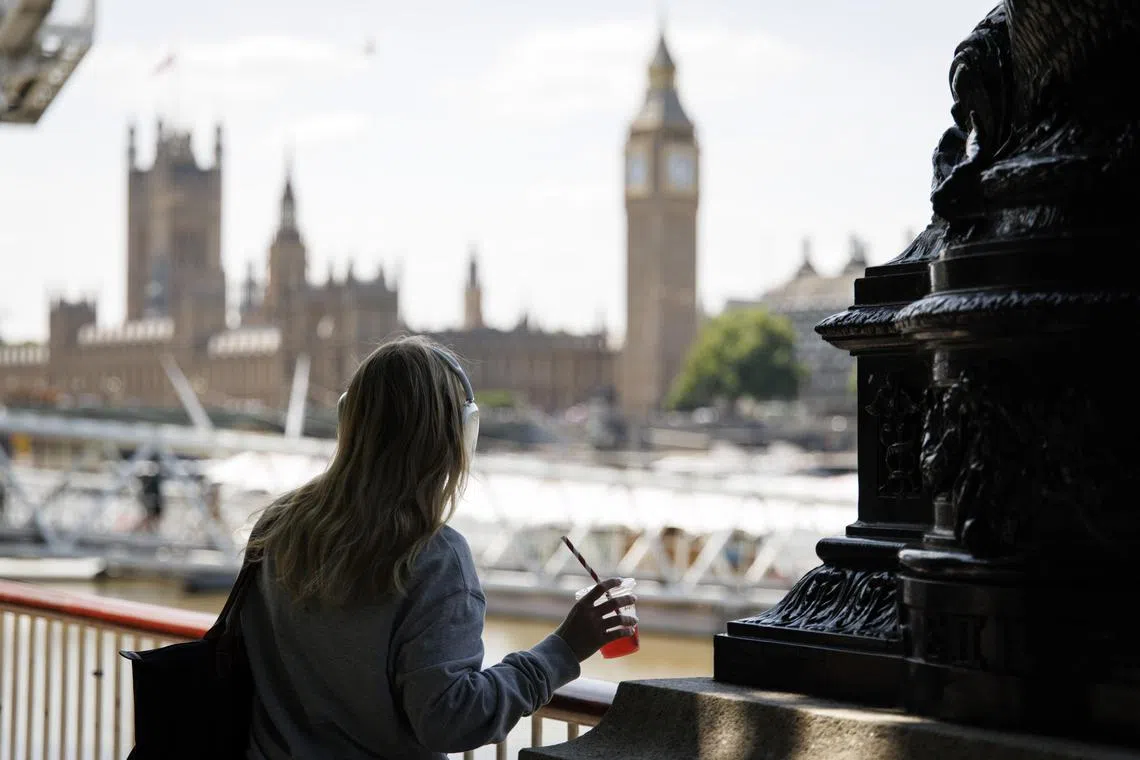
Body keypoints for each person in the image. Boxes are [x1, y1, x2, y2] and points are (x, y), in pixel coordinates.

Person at [241, 335, 636, 759]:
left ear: (347, 421)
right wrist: (562, 650)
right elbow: (450, 719)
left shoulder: (278, 524)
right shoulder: (433, 558)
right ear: (462, 435)